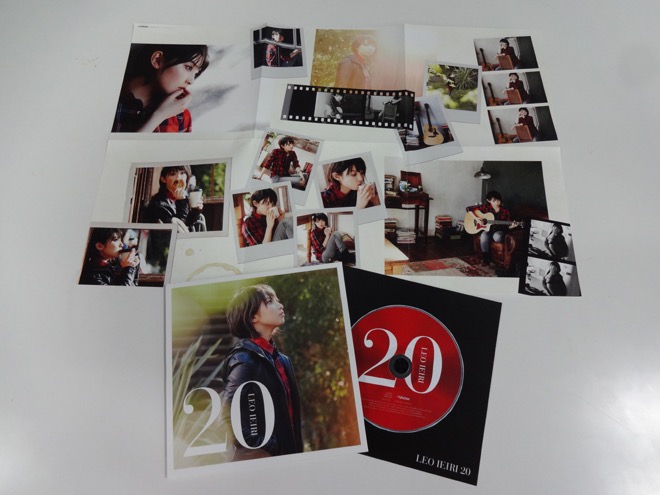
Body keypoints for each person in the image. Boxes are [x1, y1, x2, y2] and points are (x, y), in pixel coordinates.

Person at [220, 284, 303, 459]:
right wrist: (269, 448)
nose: (280, 305)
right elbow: (228, 416)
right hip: (265, 462)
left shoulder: (283, 361)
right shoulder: (244, 359)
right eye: (270, 301)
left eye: (277, 300)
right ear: (252, 316)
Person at [112, 44, 209, 133]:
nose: (191, 81)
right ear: (157, 60)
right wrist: (158, 116)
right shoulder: (111, 97)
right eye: (188, 67)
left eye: (195, 74)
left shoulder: (180, 115)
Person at [142, 165, 205, 232]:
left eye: (182, 173)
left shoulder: (185, 198)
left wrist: (196, 210)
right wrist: (181, 202)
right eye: (173, 174)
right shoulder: (158, 204)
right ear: (163, 179)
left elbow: (188, 224)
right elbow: (178, 230)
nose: (178, 178)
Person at [476, 190, 519, 265]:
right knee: (484, 235)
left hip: (499, 230)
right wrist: (478, 220)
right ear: (488, 200)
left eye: (498, 200)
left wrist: (512, 226)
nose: (496, 202)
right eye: (494, 201)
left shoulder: (505, 211)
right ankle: (486, 258)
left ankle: (491, 238)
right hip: (488, 230)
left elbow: (507, 226)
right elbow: (471, 211)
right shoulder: (485, 208)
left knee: (497, 237)